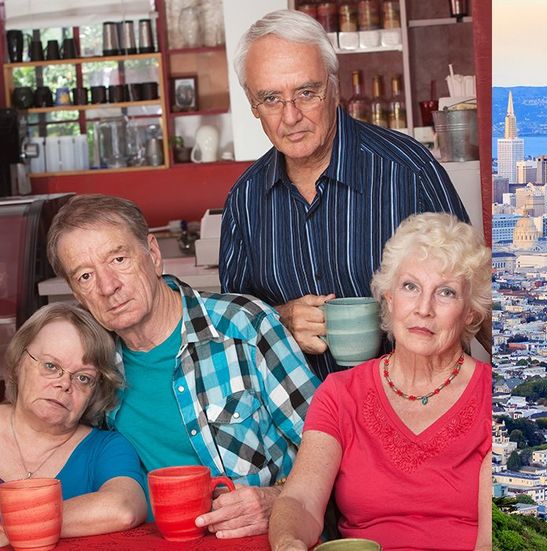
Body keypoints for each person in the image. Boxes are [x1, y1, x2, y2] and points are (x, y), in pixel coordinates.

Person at [46, 194, 321, 539]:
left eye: (118, 259)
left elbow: (332, 446)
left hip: (262, 539)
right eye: (85, 276)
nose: (108, 286)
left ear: (154, 254)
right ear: (75, 292)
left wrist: (277, 499)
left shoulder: (243, 326)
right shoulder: (91, 369)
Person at [219, 9, 471, 379]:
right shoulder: (244, 201)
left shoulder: (407, 171)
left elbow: (474, 292)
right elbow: (230, 329)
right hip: (301, 420)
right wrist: (279, 320)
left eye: (307, 93)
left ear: (334, 87)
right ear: (252, 104)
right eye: (271, 99)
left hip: (418, 410)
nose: (291, 117)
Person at [268, 213, 491, 551]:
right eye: (410, 287)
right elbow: (299, 501)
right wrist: (288, 542)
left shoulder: (499, 398)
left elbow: (493, 540)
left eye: (445, 292)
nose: (423, 309)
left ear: (471, 313)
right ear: (388, 297)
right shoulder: (340, 393)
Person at [0, 303, 146, 546]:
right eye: (50, 366)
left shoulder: (106, 447)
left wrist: (11, 527)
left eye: (83, 378)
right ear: (18, 362)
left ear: (95, 393)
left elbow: (125, 507)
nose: (64, 384)